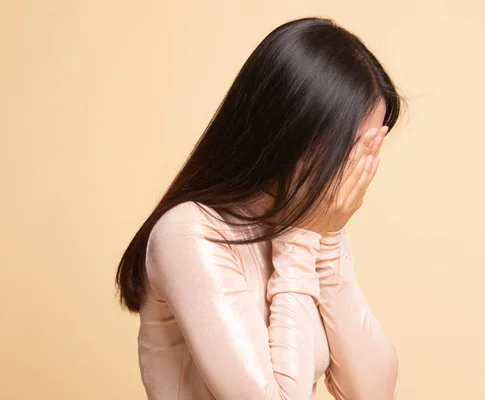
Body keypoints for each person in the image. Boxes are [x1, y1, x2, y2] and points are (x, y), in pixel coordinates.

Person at [116, 16, 406, 400]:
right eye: (353, 146)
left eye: (370, 148)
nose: (359, 166)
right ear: (294, 129)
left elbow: (372, 393)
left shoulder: (308, 222)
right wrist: (304, 240)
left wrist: (329, 239)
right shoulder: (188, 234)